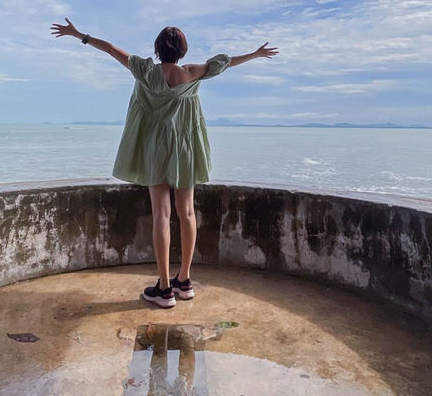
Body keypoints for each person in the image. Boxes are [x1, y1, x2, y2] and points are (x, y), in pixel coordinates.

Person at [50, 18, 278, 308]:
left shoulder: (145, 70)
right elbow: (225, 62)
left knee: (162, 214)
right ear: (182, 50)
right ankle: (185, 280)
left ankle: (165, 287)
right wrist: (256, 54)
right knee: (187, 213)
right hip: (185, 148)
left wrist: (78, 35)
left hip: (155, 148)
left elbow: (108, 48)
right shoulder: (193, 72)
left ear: (158, 49)